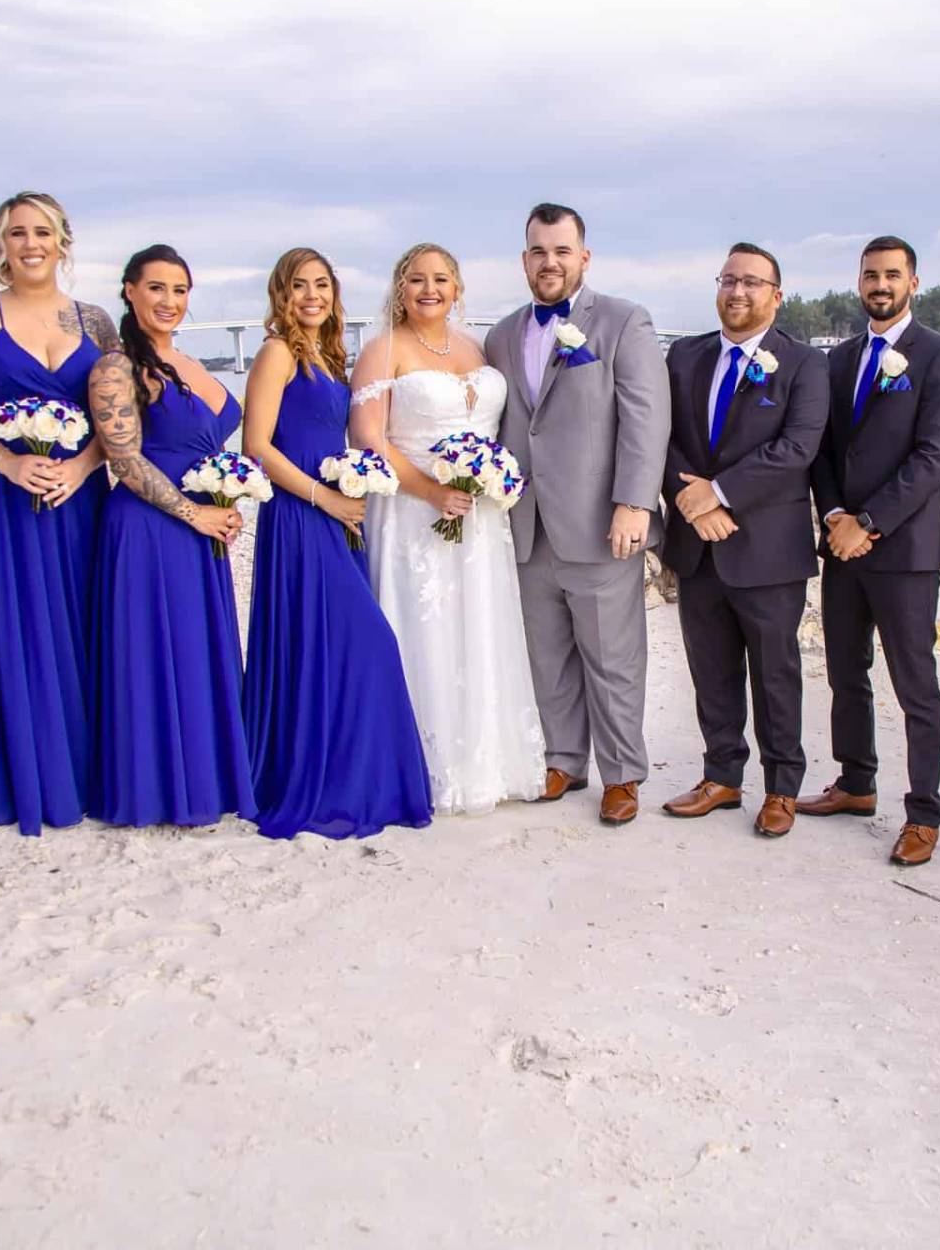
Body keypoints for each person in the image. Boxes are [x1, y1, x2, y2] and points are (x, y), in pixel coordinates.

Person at [0, 191, 116, 835]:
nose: (30, 243)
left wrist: (83, 465)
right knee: (16, 628)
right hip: (1, 498)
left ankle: (90, 773)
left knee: (81, 628)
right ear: (0, 245)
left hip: (78, 497)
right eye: (17, 233)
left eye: (42, 232)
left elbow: (118, 419)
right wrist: (9, 465)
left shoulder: (94, 321)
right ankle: (25, 775)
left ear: (63, 241)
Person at [484, 203, 669, 825]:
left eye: (562, 251)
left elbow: (646, 418)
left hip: (599, 522)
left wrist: (633, 503)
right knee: (548, 653)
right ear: (524, 260)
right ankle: (563, 758)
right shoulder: (503, 334)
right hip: (527, 523)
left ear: (583, 257)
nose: (550, 262)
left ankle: (622, 774)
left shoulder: (622, 321)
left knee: (612, 656)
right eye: (538, 251)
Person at [243, 247, 432, 837]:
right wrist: (323, 498)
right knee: (368, 643)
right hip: (301, 519)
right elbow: (256, 447)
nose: (311, 296)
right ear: (282, 294)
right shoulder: (277, 353)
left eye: (321, 285)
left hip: (339, 518)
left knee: (334, 651)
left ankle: (350, 777)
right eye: (299, 286)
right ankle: (322, 783)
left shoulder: (329, 355)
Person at [795, 236, 940, 865]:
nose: (881, 284)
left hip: (905, 550)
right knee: (846, 672)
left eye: (893, 275)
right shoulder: (836, 361)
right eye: (871, 274)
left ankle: (924, 811)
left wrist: (870, 520)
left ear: (913, 283)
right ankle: (855, 782)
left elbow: (935, 457)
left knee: (915, 682)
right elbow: (822, 448)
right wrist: (837, 513)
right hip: (844, 546)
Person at [351, 243, 544, 813]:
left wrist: (492, 480)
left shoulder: (477, 347)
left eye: (440, 279)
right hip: (414, 515)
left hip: (480, 523)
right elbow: (368, 438)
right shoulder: (381, 351)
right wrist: (431, 489)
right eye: (416, 279)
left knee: (480, 629)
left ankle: (482, 764)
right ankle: (423, 767)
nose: (428, 289)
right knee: (423, 631)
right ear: (399, 288)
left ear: (457, 289)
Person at [657, 243, 828, 837]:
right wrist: (691, 501)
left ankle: (782, 787)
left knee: (776, 673)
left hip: (767, 550)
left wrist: (719, 494)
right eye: (729, 279)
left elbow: (796, 449)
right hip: (697, 545)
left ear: (776, 296)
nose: (738, 292)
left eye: (753, 282)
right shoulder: (684, 356)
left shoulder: (805, 365)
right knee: (711, 669)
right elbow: (663, 436)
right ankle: (722, 775)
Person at [87, 245, 255, 827]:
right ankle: (155, 789)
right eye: (156, 288)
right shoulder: (116, 366)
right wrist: (195, 513)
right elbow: (124, 459)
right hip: (148, 529)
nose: (169, 301)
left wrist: (227, 501)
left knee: (194, 652)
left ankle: (206, 781)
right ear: (129, 291)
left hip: (202, 528)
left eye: (180, 290)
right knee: (154, 656)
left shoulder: (190, 364)